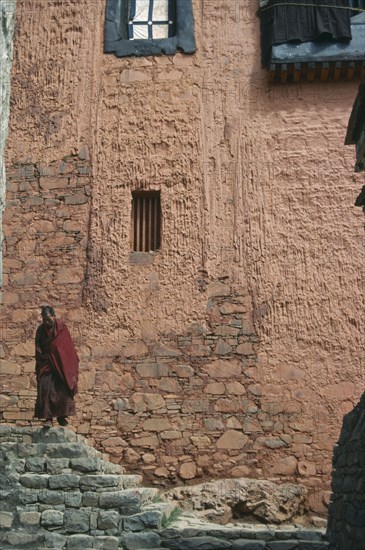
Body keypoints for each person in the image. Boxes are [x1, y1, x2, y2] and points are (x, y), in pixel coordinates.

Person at [34, 305, 79, 428]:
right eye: (44, 319)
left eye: (48, 318)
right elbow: (38, 347)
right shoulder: (40, 330)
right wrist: (43, 358)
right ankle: (48, 419)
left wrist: (60, 358)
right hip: (46, 364)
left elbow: (66, 347)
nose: (46, 321)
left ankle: (61, 416)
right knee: (45, 389)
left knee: (62, 390)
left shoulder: (61, 328)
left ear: (53, 317)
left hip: (61, 364)